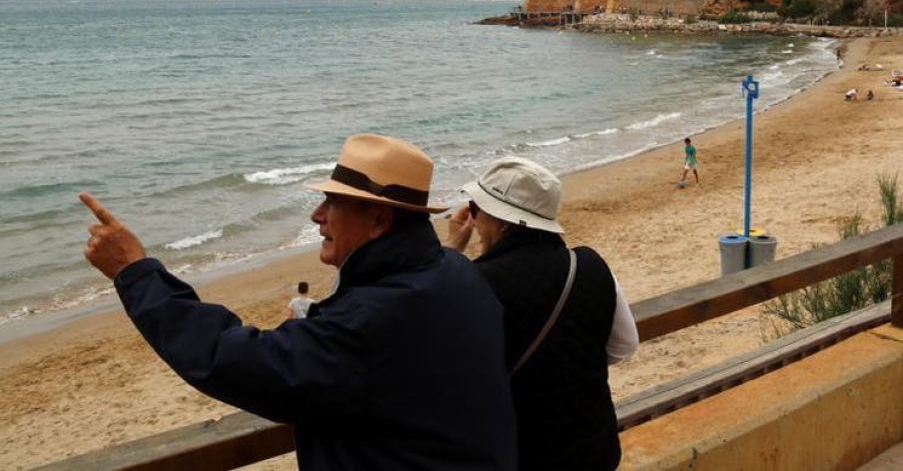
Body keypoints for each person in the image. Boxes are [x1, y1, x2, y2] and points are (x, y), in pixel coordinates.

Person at [81, 133, 517, 470]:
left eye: (333, 202)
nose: (317, 215)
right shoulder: (455, 272)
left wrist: (134, 272)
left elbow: (232, 359)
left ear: (379, 220)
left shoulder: (373, 318)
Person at [447, 157, 637, 471]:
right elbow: (625, 346)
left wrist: (452, 250)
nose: (474, 220)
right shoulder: (589, 265)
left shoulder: (472, 283)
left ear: (503, 221)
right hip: (595, 451)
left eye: (476, 209)